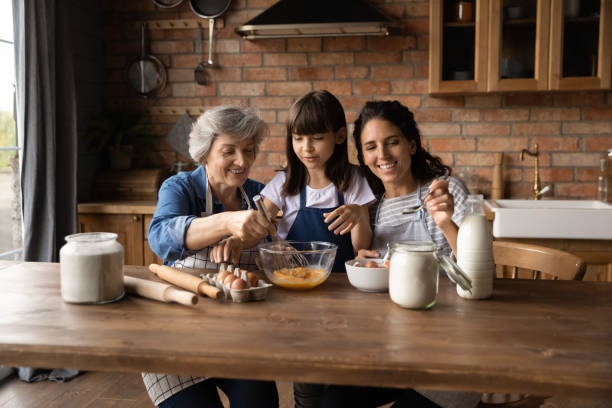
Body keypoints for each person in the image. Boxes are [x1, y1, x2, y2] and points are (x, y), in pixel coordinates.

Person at [318, 100, 480, 408]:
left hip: (452, 356)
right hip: (393, 352)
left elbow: (477, 279)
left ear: (412, 145)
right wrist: (369, 265)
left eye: (392, 142)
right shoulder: (373, 210)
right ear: (363, 157)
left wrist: (445, 223)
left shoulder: (446, 192)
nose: (383, 155)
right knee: (332, 401)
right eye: (371, 147)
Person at [144, 105, 279, 408]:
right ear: (205, 154)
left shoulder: (259, 195)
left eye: (248, 149)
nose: (242, 161)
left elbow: (275, 253)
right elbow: (160, 236)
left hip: (241, 340)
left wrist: (248, 241)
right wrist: (225, 222)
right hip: (177, 339)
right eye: (229, 151)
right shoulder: (180, 188)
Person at [259, 90, 376, 408]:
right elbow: (257, 224)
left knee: (339, 380)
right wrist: (247, 233)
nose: (306, 148)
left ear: (339, 137)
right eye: (298, 139)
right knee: (307, 378)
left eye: (316, 138)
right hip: (298, 295)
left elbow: (361, 248)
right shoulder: (284, 185)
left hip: (344, 298)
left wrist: (359, 215)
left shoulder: (353, 181)